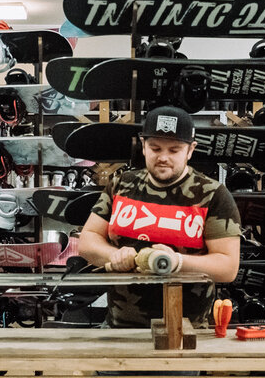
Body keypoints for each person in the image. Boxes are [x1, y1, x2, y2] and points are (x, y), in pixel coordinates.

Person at [78, 105, 241, 327]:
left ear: (190, 150)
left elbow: (228, 267)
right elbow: (87, 240)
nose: (163, 157)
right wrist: (113, 255)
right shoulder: (121, 185)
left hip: (186, 329)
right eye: (155, 148)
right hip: (119, 326)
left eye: (174, 150)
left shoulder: (212, 195)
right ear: (143, 146)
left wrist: (178, 262)